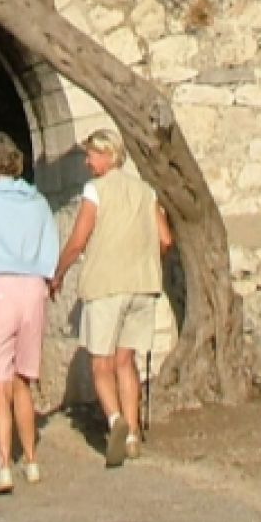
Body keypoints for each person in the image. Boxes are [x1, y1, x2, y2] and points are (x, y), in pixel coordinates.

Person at [50, 127, 172, 468]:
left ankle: (115, 419)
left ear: (107, 155)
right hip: (142, 286)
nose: (88, 162)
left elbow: (77, 241)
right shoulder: (145, 191)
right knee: (126, 361)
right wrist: (145, 262)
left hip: (106, 285)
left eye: (91, 155)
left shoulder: (96, 190)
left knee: (100, 362)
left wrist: (57, 273)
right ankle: (133, 434)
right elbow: (165, 239)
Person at [0, 131, 59, 495]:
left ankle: (3, 463)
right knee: (24, 379)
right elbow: (50, 245)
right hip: (33, 285)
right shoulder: (37, 199)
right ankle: (31, 459)